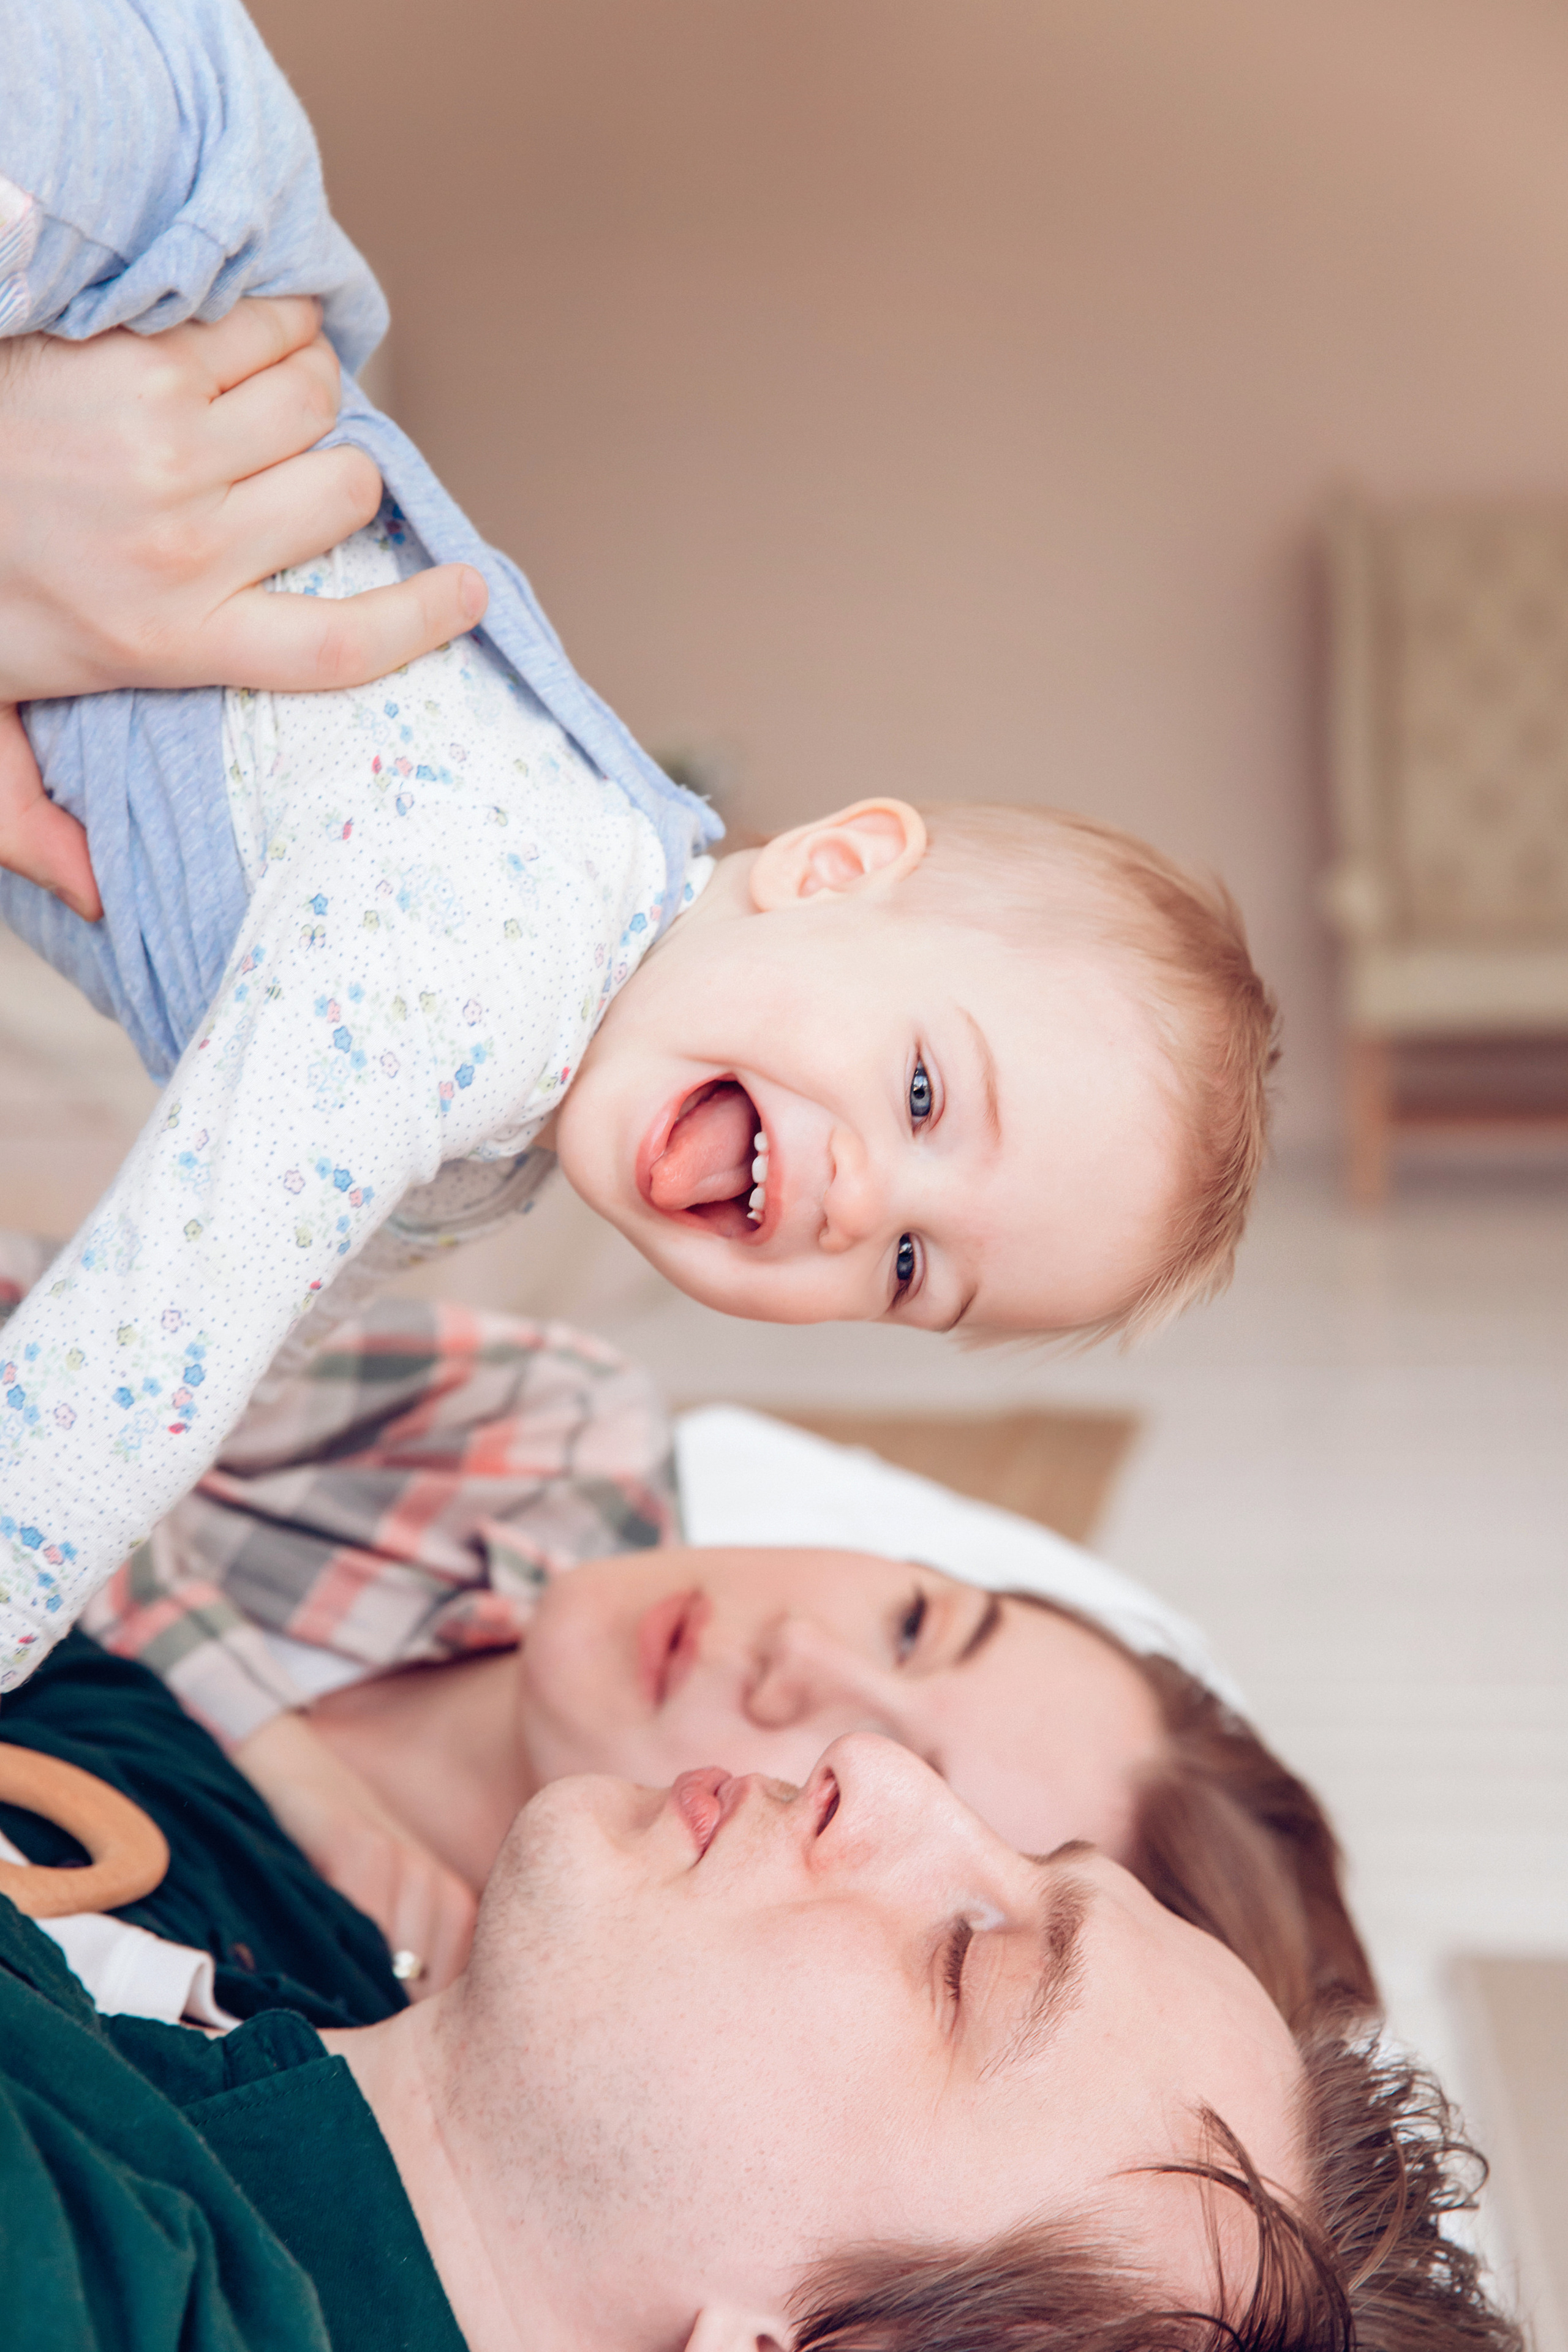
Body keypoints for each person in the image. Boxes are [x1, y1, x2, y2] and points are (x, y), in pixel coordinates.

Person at [0, 0, 1280, 1691]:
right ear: (829, 872)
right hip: (143, 198)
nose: (860, 1199)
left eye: (914, 1267)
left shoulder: (495, 1135)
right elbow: (153, 1342)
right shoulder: (498, 949)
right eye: (920, 1095)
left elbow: (236, 1344)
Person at [0, 1628, 1522, 2352]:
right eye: (1015, 1856)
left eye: (965, 1962)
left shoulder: (80, 2269)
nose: (883, 1774)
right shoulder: (298, 1926)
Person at [0, 1237, 1368, 2026]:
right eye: (910, 1619)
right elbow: (48, 1353)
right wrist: (294, 1767)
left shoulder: (370, 2024)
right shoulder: (546, 1440)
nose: (796, 1662)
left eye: (859, 1769)